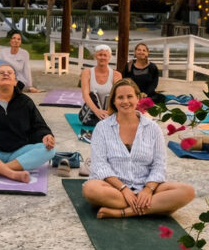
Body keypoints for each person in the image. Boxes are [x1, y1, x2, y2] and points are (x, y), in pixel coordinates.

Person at [82, 78, 194, 219]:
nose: (125, 101)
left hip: (146, 186)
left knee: (187, 191)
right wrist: (123, 189)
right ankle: (157, 207)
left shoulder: (153, 128)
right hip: (114, 188)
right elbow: (100, 165)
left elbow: (159, 165)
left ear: (137, 98)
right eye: (120, 97)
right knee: (90, 189)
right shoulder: (102, 127)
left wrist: (148, 189)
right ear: (114, 101)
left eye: (130, 96)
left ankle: (123, 212)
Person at [79, 44, 122, 126]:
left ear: (109, 57)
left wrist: (108, 113)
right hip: (91, 112)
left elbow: (117, 96)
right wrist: (97, 111)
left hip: (109, 111)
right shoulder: (87, 72)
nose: (102, 57)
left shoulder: (116, 75)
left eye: (105, 55)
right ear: (95, 56)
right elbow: (85, 95)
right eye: (100, 55)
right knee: (91, 95)